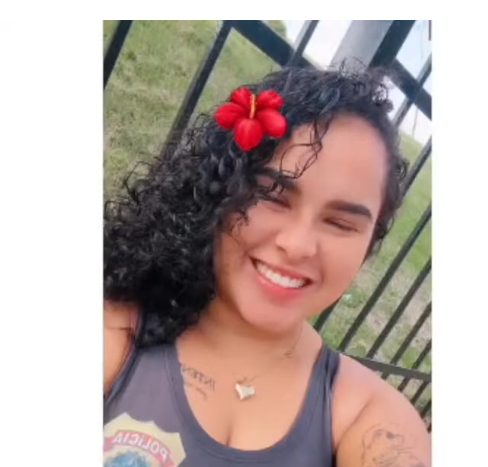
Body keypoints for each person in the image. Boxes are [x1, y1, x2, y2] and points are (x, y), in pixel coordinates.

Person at [104, 64, 431, 467]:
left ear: (369, 244)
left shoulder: (367, 415)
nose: (297, 245)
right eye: (272, 195)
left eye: (341, 223)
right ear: (220, 189)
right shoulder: (115, 330)